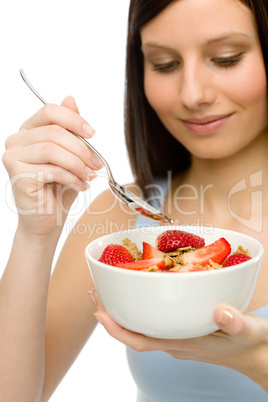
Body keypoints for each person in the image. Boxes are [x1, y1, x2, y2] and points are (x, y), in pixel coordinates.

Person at [1, 0, 268, 400]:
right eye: (164, 64)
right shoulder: (120, 214)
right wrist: (34, 233)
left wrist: (257, 363)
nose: (193, 94)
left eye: (226, 59)